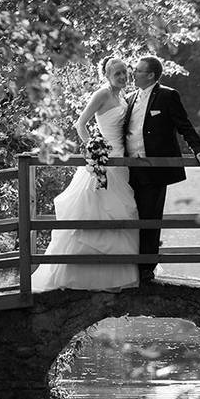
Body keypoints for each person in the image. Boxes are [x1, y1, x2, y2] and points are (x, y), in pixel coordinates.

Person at [31, 56, 139, 293]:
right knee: (95, 211)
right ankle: (80, 276)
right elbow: (81, 124)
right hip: (103, 160)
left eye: (124, 72)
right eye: (117, 74)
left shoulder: (123, 96)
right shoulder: (102, 94)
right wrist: (93, 148)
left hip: (121, 161)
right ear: (107, 76)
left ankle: (113, 275)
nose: (123, 77)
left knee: (120, 213)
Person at [124, 55, 200, 284]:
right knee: (129, 215)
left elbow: (184, 125)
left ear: (151, 75)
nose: (134, 74)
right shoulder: (129, 98)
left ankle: (146, 269)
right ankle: (128, 264)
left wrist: (198, 149)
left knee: (150, 217)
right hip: (128, 167)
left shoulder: (168, 95)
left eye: (138, 71)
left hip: (155, 168)